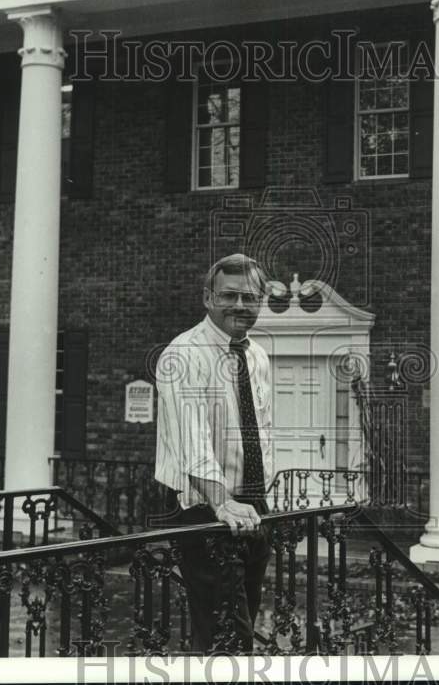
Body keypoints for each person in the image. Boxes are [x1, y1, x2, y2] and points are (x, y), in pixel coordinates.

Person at [154, 253, 273, 653]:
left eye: (249, 297)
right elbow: (193, 442)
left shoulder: (256, 355)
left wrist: (259, 499)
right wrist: (223, 503)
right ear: (208, 297)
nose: (240, 305)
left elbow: (261, 428)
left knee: (244, 618)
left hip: (252, 505)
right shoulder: (183, 354)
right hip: (203, 505)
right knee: (227, 636)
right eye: (229, 295)